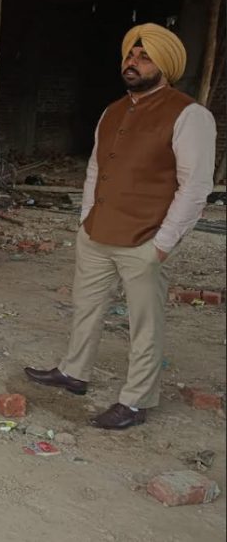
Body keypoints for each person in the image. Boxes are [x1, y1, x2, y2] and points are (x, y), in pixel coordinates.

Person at [25, 23, 216, 429]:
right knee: (86, 307)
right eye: (131, 54)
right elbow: (96, 169)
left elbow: (196, 187)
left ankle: (135, 401)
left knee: (144, 324)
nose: (133, 62)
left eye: (144, 57)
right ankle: (74, 372)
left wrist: (163, 243)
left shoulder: (189, 115)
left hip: (145, 238)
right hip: (97, 232)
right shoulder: (112, 111)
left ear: (164, 66)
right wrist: (85, 220)